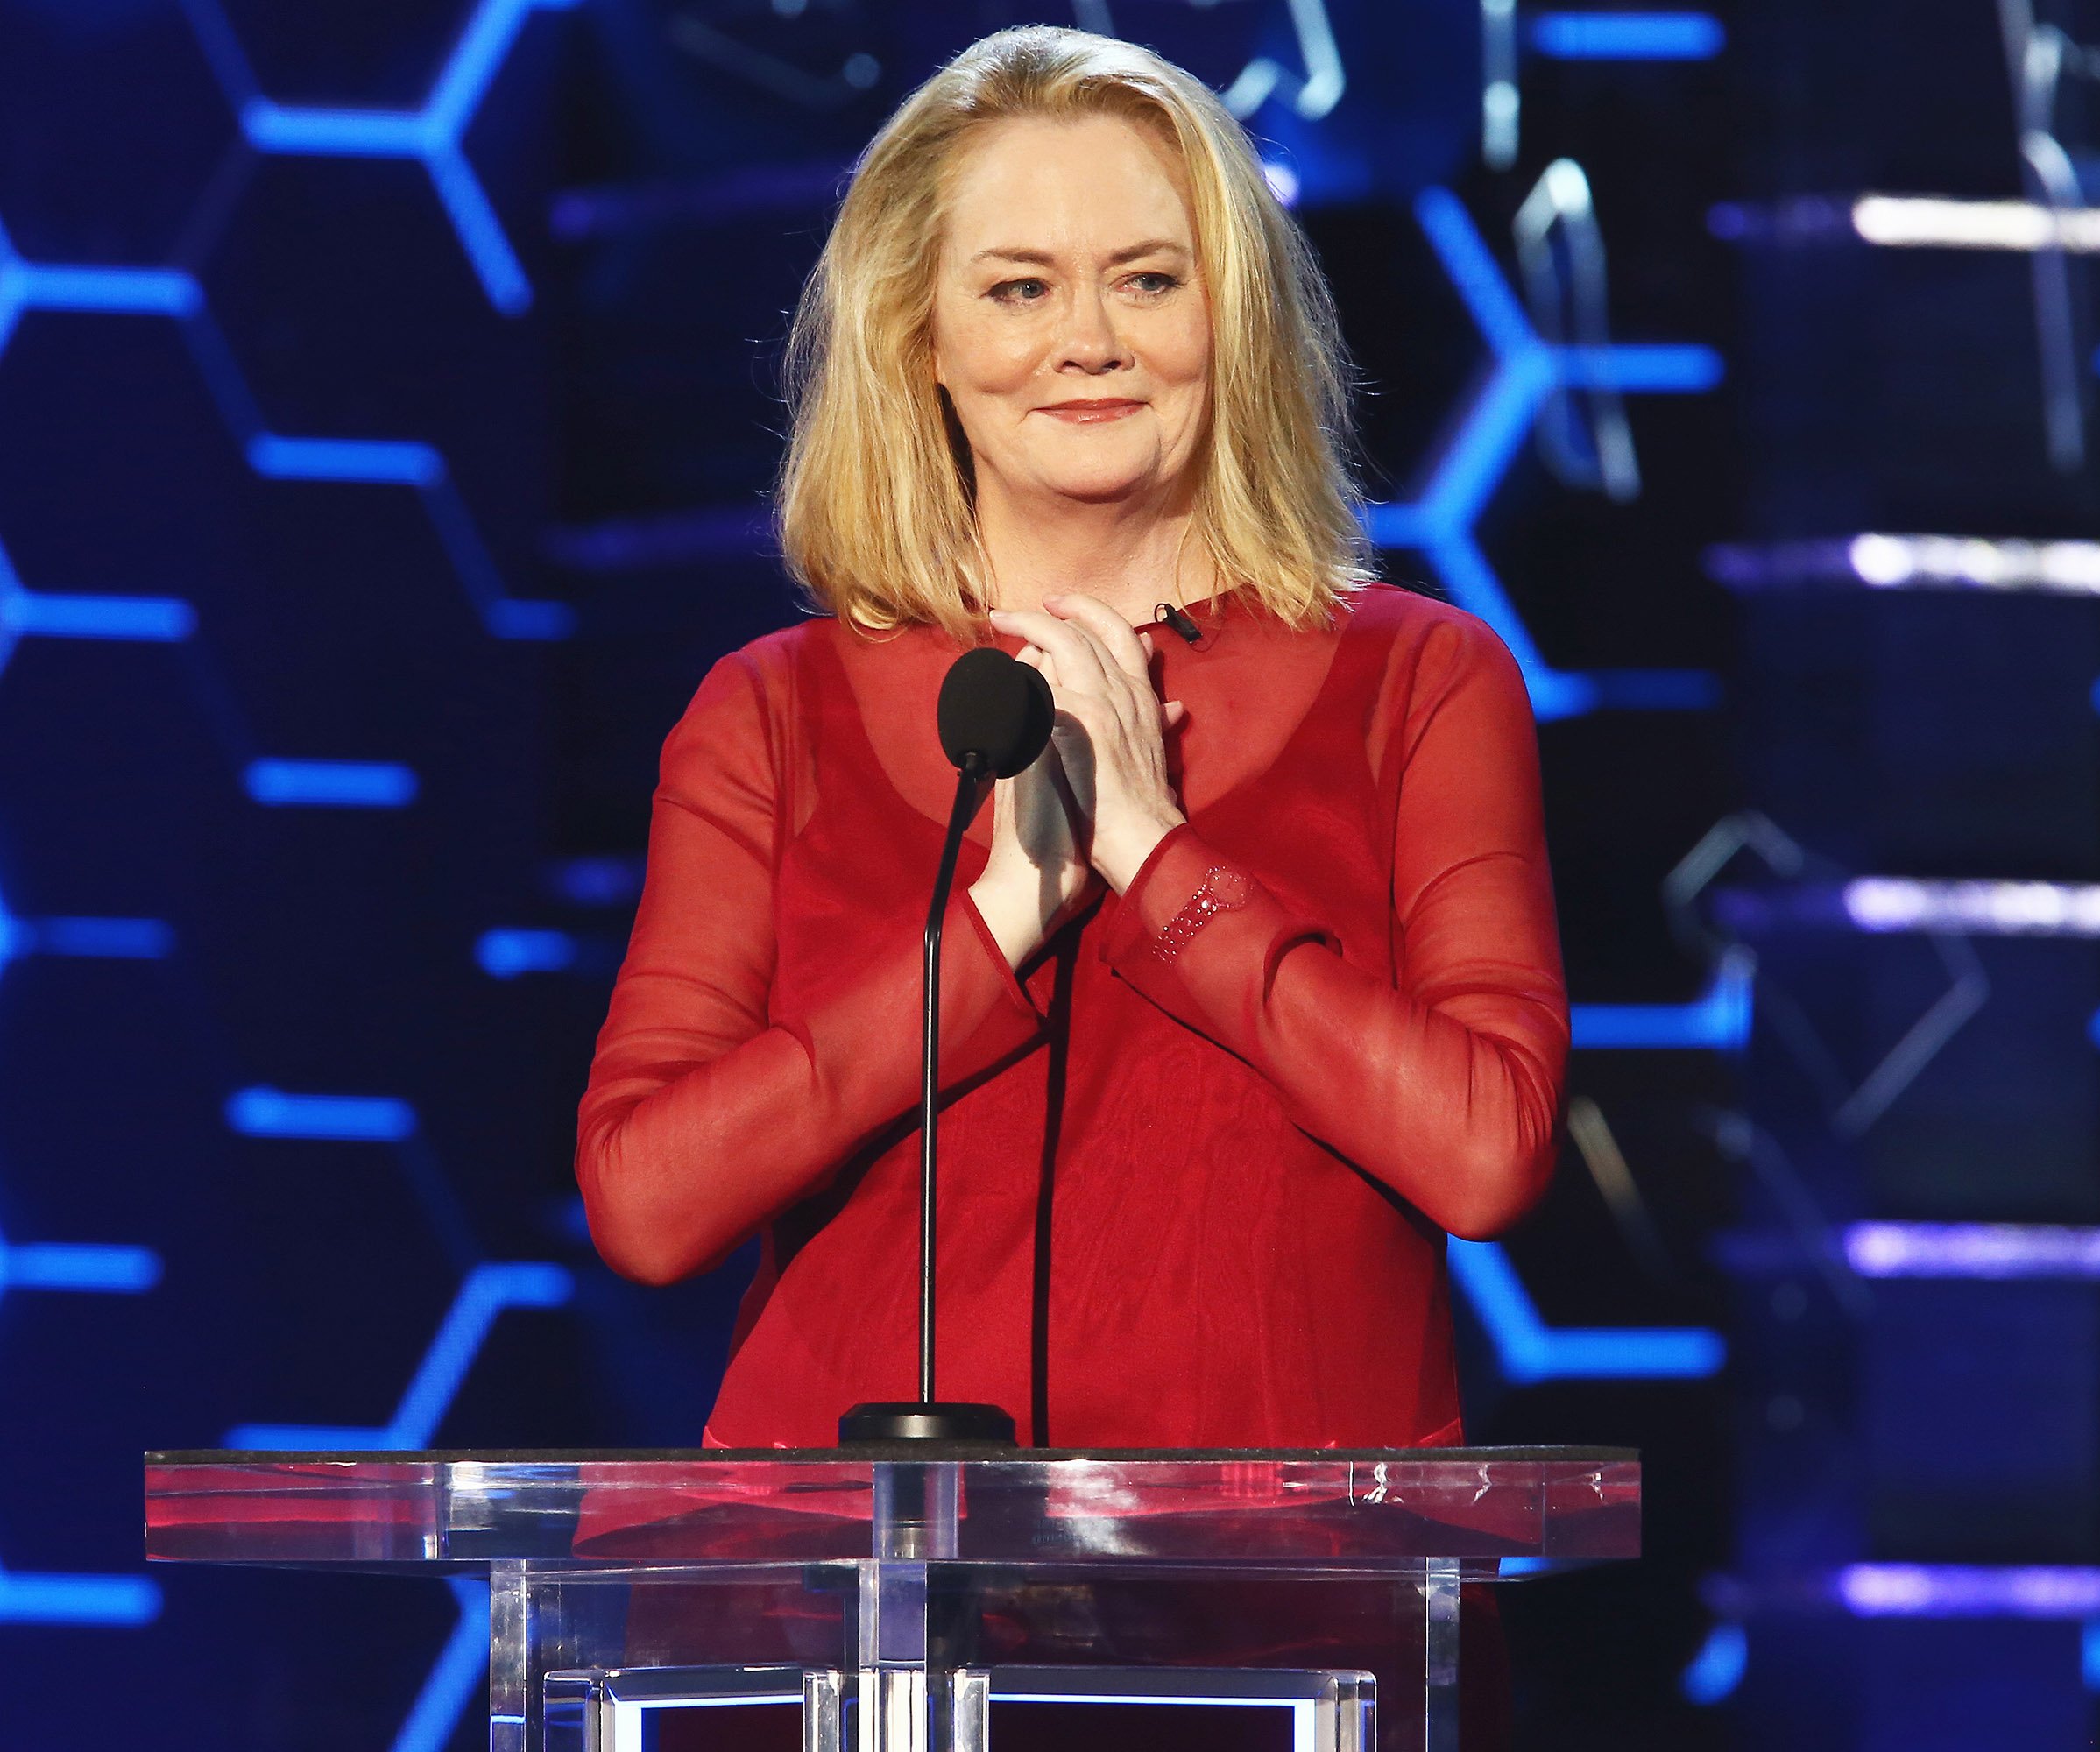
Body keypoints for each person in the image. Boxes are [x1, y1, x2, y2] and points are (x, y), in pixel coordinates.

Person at [575, 25, 1568, 1452]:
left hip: (1288, 1629)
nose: (1087, 340)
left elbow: (1486, 1155)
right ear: (920, 332)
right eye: (1020, 288)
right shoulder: (767, 712)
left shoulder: (1419, 680)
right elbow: (647, 1202)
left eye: (1149, 281)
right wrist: (992, 929)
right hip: (868, 1627)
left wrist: (1160, 865)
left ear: (1233, 317)